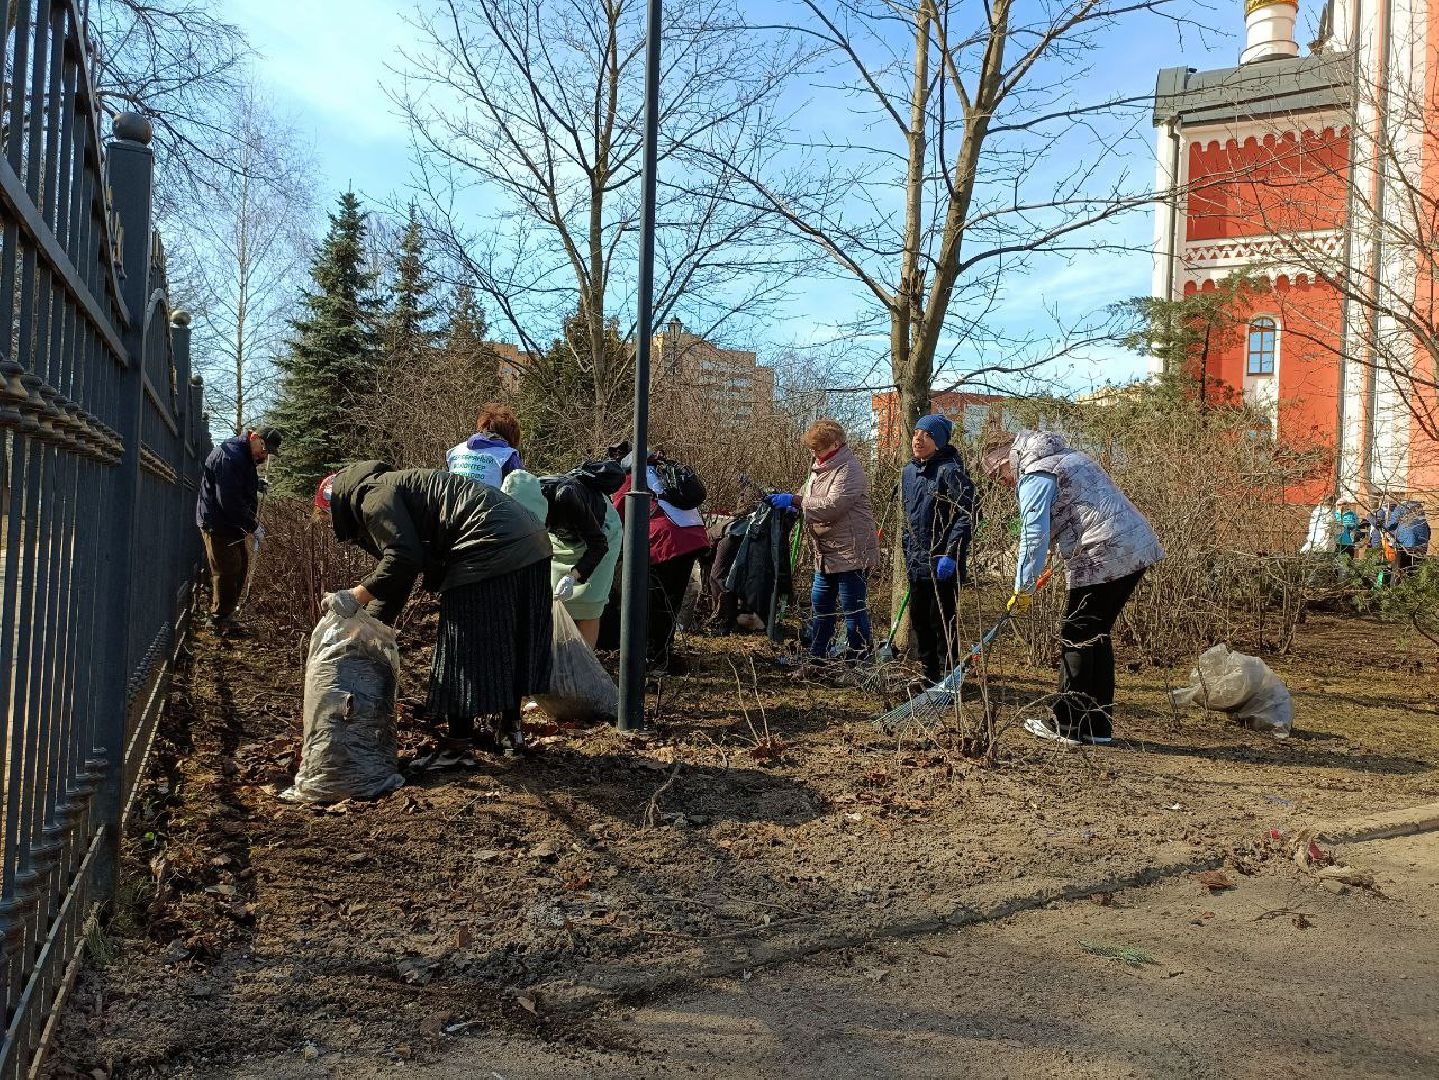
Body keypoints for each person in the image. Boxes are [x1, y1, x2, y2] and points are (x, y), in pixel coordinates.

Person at [314, 461, 553, 765]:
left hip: (487, 541)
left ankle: (458, 746)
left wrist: (355, 597)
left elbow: (402, 559)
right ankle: (510, 732)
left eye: (326, 517)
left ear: (336, 506)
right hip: (531, 538)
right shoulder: (390, 486)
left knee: (460, 648)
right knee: (513, 638)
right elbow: (400, 573)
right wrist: (370, 626)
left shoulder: (371, 497)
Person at [981, 430, 1164, 748]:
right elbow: (1068, 516)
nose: (1002, 484)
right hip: (1133, 548)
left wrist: (1022, 587)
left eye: (998, 476)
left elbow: (1034, 535)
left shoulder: (1036, 473)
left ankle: (1068, 726)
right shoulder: (1067, 459)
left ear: (1006, 459)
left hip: (1105, 555)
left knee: (1075, 633)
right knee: (1095, 635)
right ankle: (1097, 727)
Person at [767, 419, 880, 668]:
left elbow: (832, 506)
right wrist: (790, 506)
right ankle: (817, 656)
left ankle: (858, 660)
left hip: (851, 552)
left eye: (818, 448)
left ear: (835, 444)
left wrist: (796, 501)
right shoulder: (819, 468)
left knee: (853, 608)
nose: (814, 453)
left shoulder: (849, 469)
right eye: (812, 449)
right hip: (826, 552)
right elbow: (807, 498)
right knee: (821, 604)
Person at [611, 449, 709, 673]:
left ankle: (654, 659)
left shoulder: (632, 479)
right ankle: (663, 653)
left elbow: (616, 514)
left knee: (654, 602)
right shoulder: (664, 473)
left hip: (665, 543)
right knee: (671, 601)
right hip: (692, 537)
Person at [901, 414, 976, 685]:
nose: (919, 439)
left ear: (939, 442)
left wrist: (952, 553)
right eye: (916, 432)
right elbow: (907, 515)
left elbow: (967, 512)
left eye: (928, 435)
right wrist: (906, 546)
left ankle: (948, 675)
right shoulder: (908, 472)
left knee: (941, 620)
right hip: (916, 561)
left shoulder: (950, 471)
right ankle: (928, 673)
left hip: (943, 562)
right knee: (919, 618)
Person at [195, 427, 281, 635]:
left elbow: (236, 483)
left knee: (239, 567)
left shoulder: (243, 455)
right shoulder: (230, 456)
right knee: (226, 571)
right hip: (218, 522)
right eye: (264, 448)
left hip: (231, 523)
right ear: (255, 437)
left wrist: (256, 483)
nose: (264, 454)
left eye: (268, 452)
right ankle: (218, 621)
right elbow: (229, 501)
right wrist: (254, 526)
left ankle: (226, 616)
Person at [541, 459, 627, 647]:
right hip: (563, 537)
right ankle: (559, 661)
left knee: (589, 602)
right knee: (556, 601)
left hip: (602, 532)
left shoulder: (567, 497)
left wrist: (573, 576)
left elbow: (599, 545)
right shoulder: (523, 501)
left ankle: (584, 665)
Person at [446, 402, 523, 487]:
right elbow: (520, 490)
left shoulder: (455, 451)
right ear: (512, 434)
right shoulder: (507, 455)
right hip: (488, 500)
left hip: (453, 500)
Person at [1387, 496, 1431, 577]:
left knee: (1400, 568)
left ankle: (1399, 585)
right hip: (1422, 543)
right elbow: (1427, 529)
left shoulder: (1400, 507)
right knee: (1417, 568)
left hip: (1406, 544)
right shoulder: (1420, 510)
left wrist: (1383, 526)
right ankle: (1416, 584)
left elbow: (1391, 524)